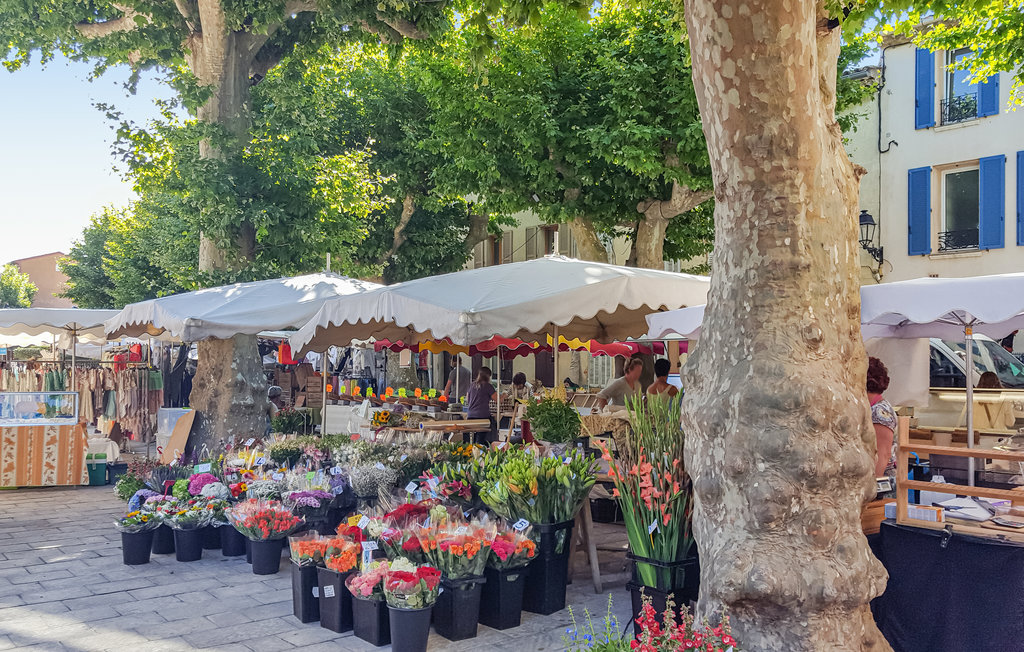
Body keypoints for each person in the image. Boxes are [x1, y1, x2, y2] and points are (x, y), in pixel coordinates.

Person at [867, 357, 898, 480]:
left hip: (882, 484)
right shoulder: (873, 408)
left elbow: (882, 455)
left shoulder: (879, 412)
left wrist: (872, 488)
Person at [466, 367, 498, 444]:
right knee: (484, 433)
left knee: (473, 434)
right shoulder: (488, 386)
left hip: (470, 415)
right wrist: (504, 395)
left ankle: (473, 447)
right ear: (488, 376)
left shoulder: (472, 385)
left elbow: (467, 399)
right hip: (482, 416)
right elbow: (497, 399)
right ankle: (480, 446)